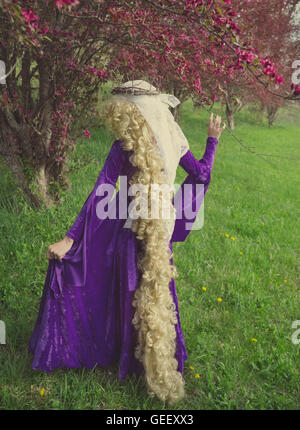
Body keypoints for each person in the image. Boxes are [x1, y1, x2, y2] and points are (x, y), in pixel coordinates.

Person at [29, 80, 226, 405]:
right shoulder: (175, 136)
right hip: (160, 234)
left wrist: (71, 238)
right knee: (155, 293)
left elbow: (102, 190)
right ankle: (153, 361)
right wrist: (212, 141)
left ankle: (124, 354)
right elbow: (202, 173)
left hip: (132, 232)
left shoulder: (127, 142)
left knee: (127, 289)